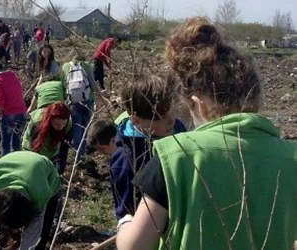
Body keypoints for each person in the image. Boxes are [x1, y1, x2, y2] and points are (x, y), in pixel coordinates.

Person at [116, 17, 297, 250]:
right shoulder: (291, 158)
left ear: (198, 104)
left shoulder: (174, 156)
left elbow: (134, 247)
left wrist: (124, 224)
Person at [86, 75, 187, 226]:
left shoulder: (177, 128)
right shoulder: (126, 160)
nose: (172, 120)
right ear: (136, 120)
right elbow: (126, 213)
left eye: (172, 112)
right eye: (161, 117)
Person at [61, 49, 109, 163]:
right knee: (87, 128)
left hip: (72, 102)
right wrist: (102, 97)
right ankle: (86, 150)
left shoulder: (65, 67)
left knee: (77, 129)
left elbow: (64, 85)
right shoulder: (87, 65)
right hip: (87, 100)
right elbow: (92, 84)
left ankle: (79, 157)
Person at [0, 59, 27, 156]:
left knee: (5, 144)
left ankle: (5, 166)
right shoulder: (13, 74)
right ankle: (18, 164)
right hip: (21, 111)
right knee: (16, 142)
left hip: (9, 114)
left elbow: (0, 99)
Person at [22, 101, 72, 175]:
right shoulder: (38, 122)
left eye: (63, 124)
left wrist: (59, 169)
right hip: (31, 149)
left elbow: (64, 149)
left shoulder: (68, 124)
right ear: (50, 119)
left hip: (52, 150)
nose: (61, 128)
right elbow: (34, 149)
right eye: (57, 124)